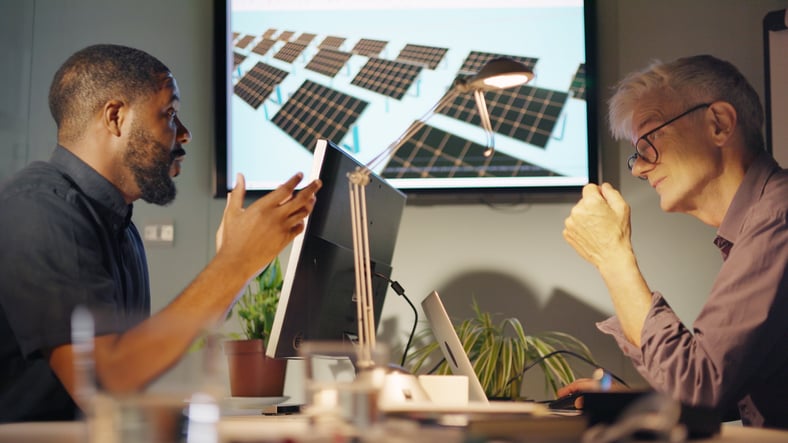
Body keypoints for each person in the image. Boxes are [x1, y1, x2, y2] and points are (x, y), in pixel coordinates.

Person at [0, 44, 322, 422]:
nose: (184, 134)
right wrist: (234, 264)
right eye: (170, 113)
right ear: (116, 117)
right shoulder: (39, 209)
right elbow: (105, 383)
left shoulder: (122, 230)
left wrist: (236, 264)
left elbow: (135, 365)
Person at [560, 55, 787, 429]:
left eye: (649, 140)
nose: (639, 167)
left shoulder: (777, 217)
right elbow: (733, 389)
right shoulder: (761, 220)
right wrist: (642, 402)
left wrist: (614, 256)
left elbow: (700, 391)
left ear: (719, 124)